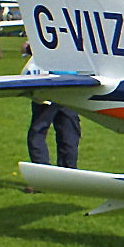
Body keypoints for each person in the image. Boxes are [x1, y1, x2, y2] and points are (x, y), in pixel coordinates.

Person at [22, 51, 82, 193]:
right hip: (73, 82)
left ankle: (44, 178)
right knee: (69, 131)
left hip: (49, 82)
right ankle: (69, 176)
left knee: (39, 131)